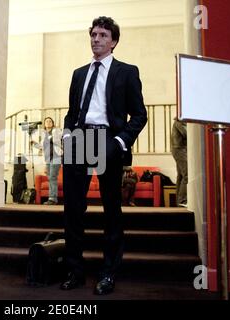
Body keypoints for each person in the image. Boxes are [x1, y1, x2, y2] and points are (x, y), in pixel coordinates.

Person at [60, 16, 147, 295]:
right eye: (93, 34)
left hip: (109, 140)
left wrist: (120, 141)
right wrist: (66, 133)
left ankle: (108, 273)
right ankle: (75, 270)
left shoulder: (127, 71)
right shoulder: (78, 73)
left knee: (112, 210)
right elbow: (72, 112)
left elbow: (140, 115)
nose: (96, 39)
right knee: (73, 209)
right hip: (80, 139)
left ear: (114, 41)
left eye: (102, 35)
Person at [31, 117, 63, 205]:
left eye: (50, 121)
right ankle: (52, 198)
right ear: (44, 125)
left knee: (52, 177)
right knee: (50, 178)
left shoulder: (56, 131)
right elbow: (41, 146)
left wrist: (49, 138)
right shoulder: (45, 135)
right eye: (46, 122)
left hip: (56, 157)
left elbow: (56, 140)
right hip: (48, 158)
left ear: (52, 123)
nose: (48, 123)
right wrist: (34, 143)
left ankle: (52, 198)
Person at [171, 119, 187, 207]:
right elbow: (186, 133)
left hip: (178, 148)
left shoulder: (179, 121)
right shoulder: (180, 121)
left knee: (181, 176)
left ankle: (179, 202)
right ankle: (182, 201)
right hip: (179, 149)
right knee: (187, 175)